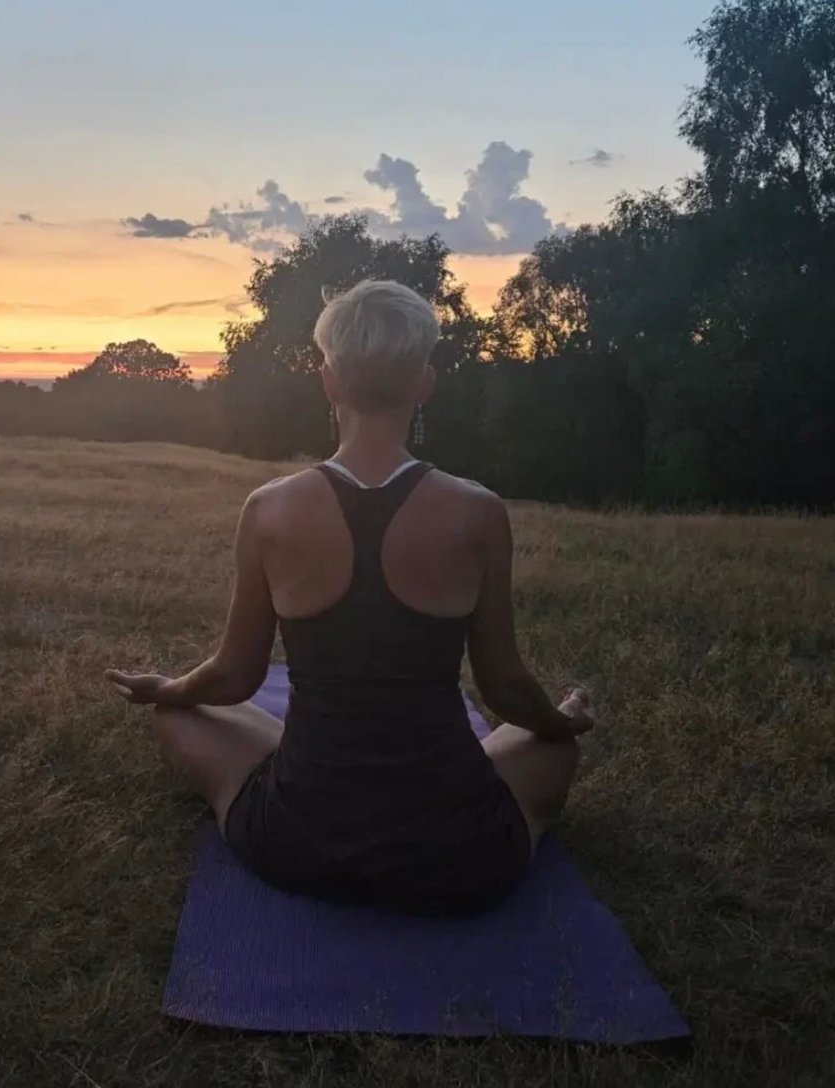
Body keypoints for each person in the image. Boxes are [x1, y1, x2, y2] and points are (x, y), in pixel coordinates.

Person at [107, 280, 595, 917]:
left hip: (299, 841)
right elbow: (503, 689)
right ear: (424, 383)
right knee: (551, 748)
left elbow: (233, 678)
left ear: (329, 382)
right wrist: (563, 721)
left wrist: (164, 690)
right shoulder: (478, 511)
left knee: (179, 717)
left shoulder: (269, 509)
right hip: (460, 853)